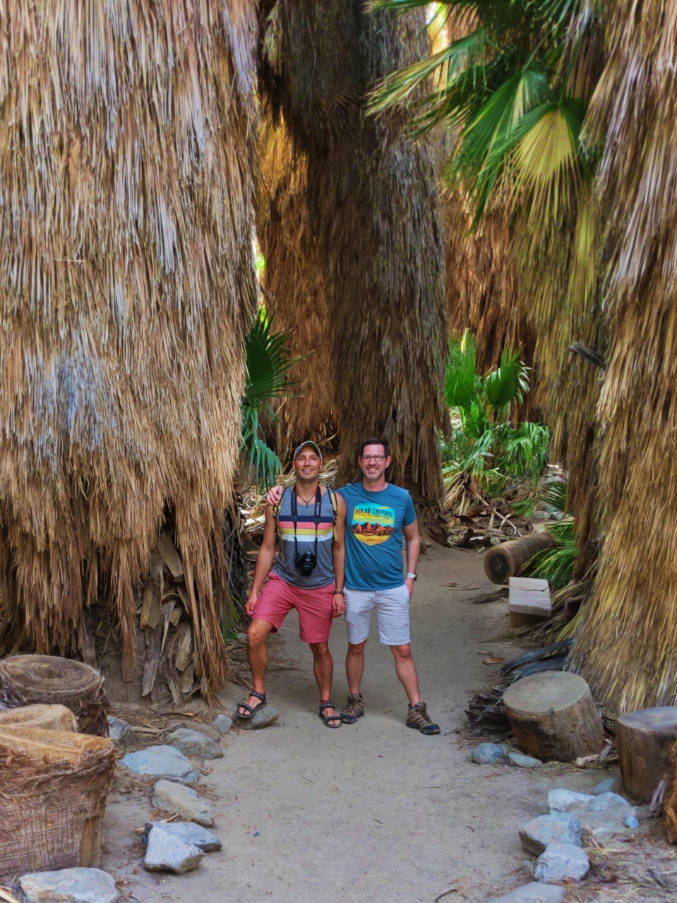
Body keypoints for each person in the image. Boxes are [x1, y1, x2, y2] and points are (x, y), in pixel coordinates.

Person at [268, 438, 439, 735]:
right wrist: (275, 493)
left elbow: (413, 537)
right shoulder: (343, 497)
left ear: (387, 462)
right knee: (355, 646)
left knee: (402, 648)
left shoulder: (401, 498)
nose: (372, 462)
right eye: (366, 458)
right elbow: (309, 492)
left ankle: (415, 708)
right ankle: (355, 700)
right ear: (360, 462)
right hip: (356, 587)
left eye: (378, 458)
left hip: (391, 586)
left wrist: (411, 577)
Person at [236, 440, 347, 728]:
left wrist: (338, 591)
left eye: (313, 458)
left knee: (319, 646)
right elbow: (268, 547)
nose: (307, 463)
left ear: (320, 465)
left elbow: (339, 548)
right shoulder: (278, 501)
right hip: (283, 580)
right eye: (301, 458)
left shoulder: (335, 503)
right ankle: (258, 692)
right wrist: (256, 589)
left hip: (320, 584)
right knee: (254, 634)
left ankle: (326, 701)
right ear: (294, 465)